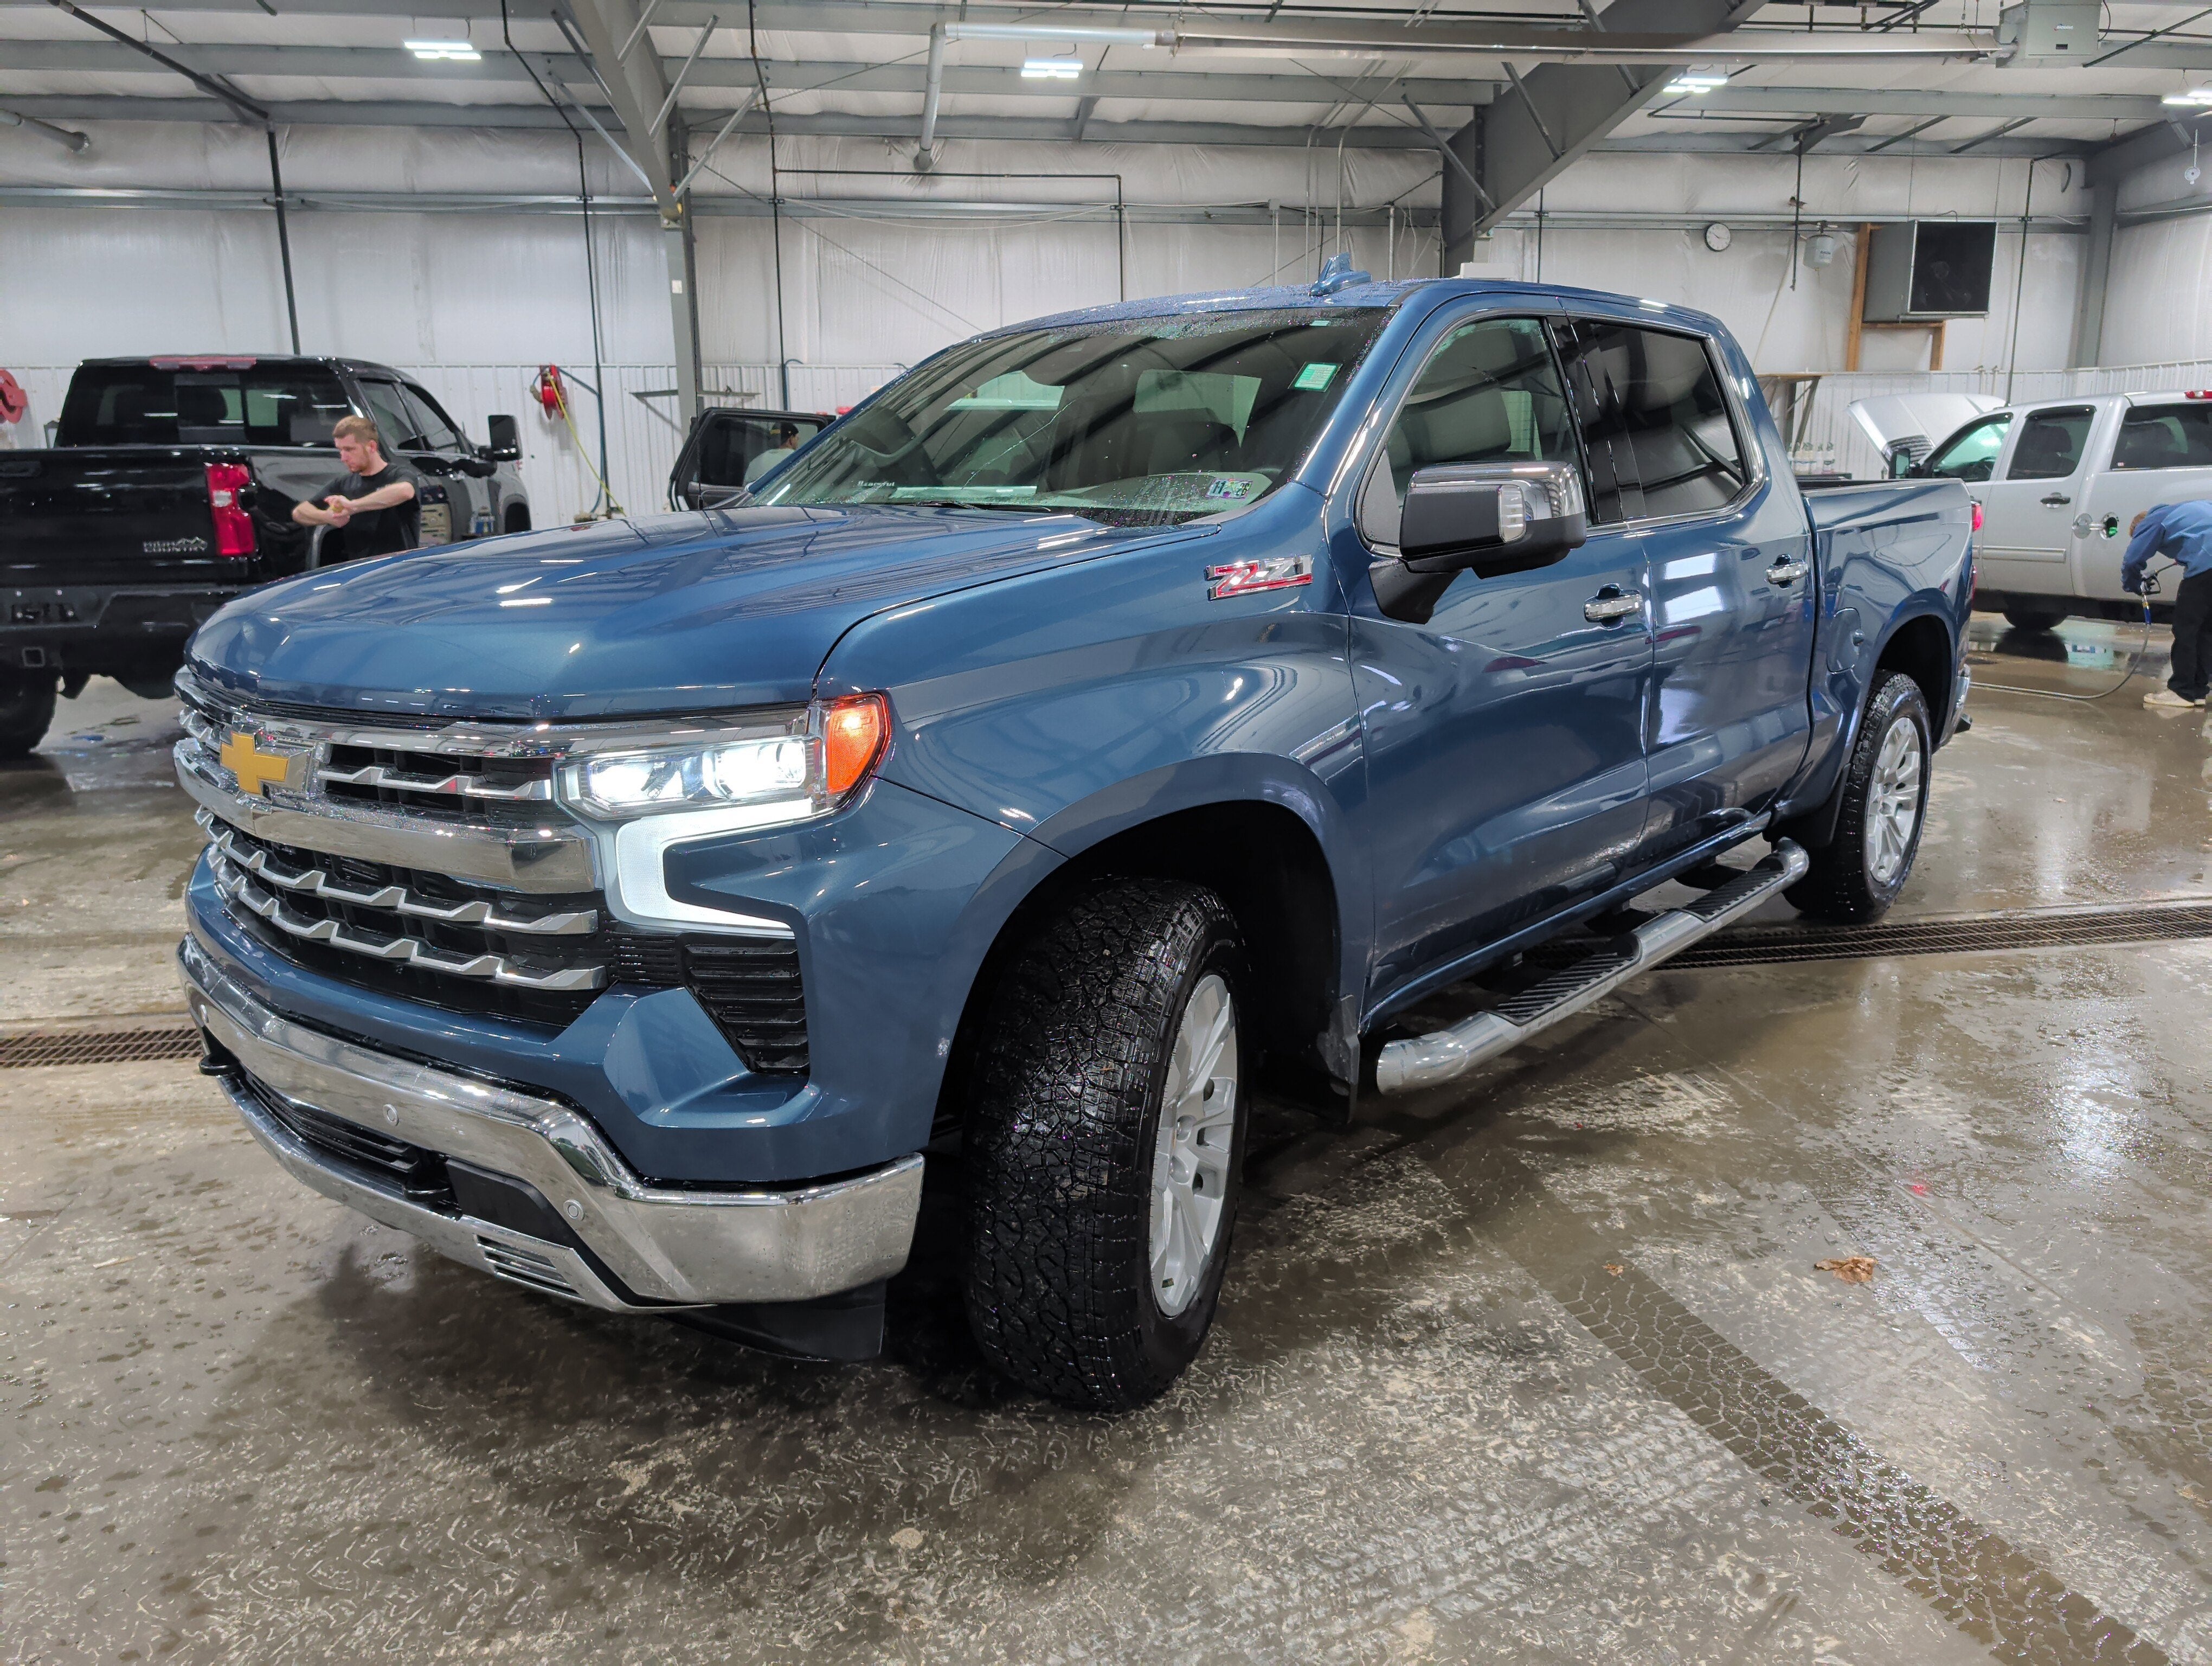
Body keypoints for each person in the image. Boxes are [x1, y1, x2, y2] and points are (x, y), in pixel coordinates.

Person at [292, 414, 422, 561]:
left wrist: (353, 506)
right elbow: (300, 512)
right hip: (361, 571)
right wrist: (327, 517)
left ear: (371, 447)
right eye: (340, 450)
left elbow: (405, 491)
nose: (343, 458)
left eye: (349, 450)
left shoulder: (399, 475)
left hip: (397, 568)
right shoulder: (344, 484)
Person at [2122, 499, 2212, 710]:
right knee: (2206, 631)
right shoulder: (2185, 511)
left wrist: (2134, 584)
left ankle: (2182, 691)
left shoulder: (2151, 522)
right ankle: (2198, 691)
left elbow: (2132, 560)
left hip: (2207, 565)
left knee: (2186, 629)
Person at [743, 421, 803, 486]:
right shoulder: (799, 459)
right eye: (797, 438)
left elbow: (746, 489)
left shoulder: (756, 462)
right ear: (791, 439)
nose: (798, 441)